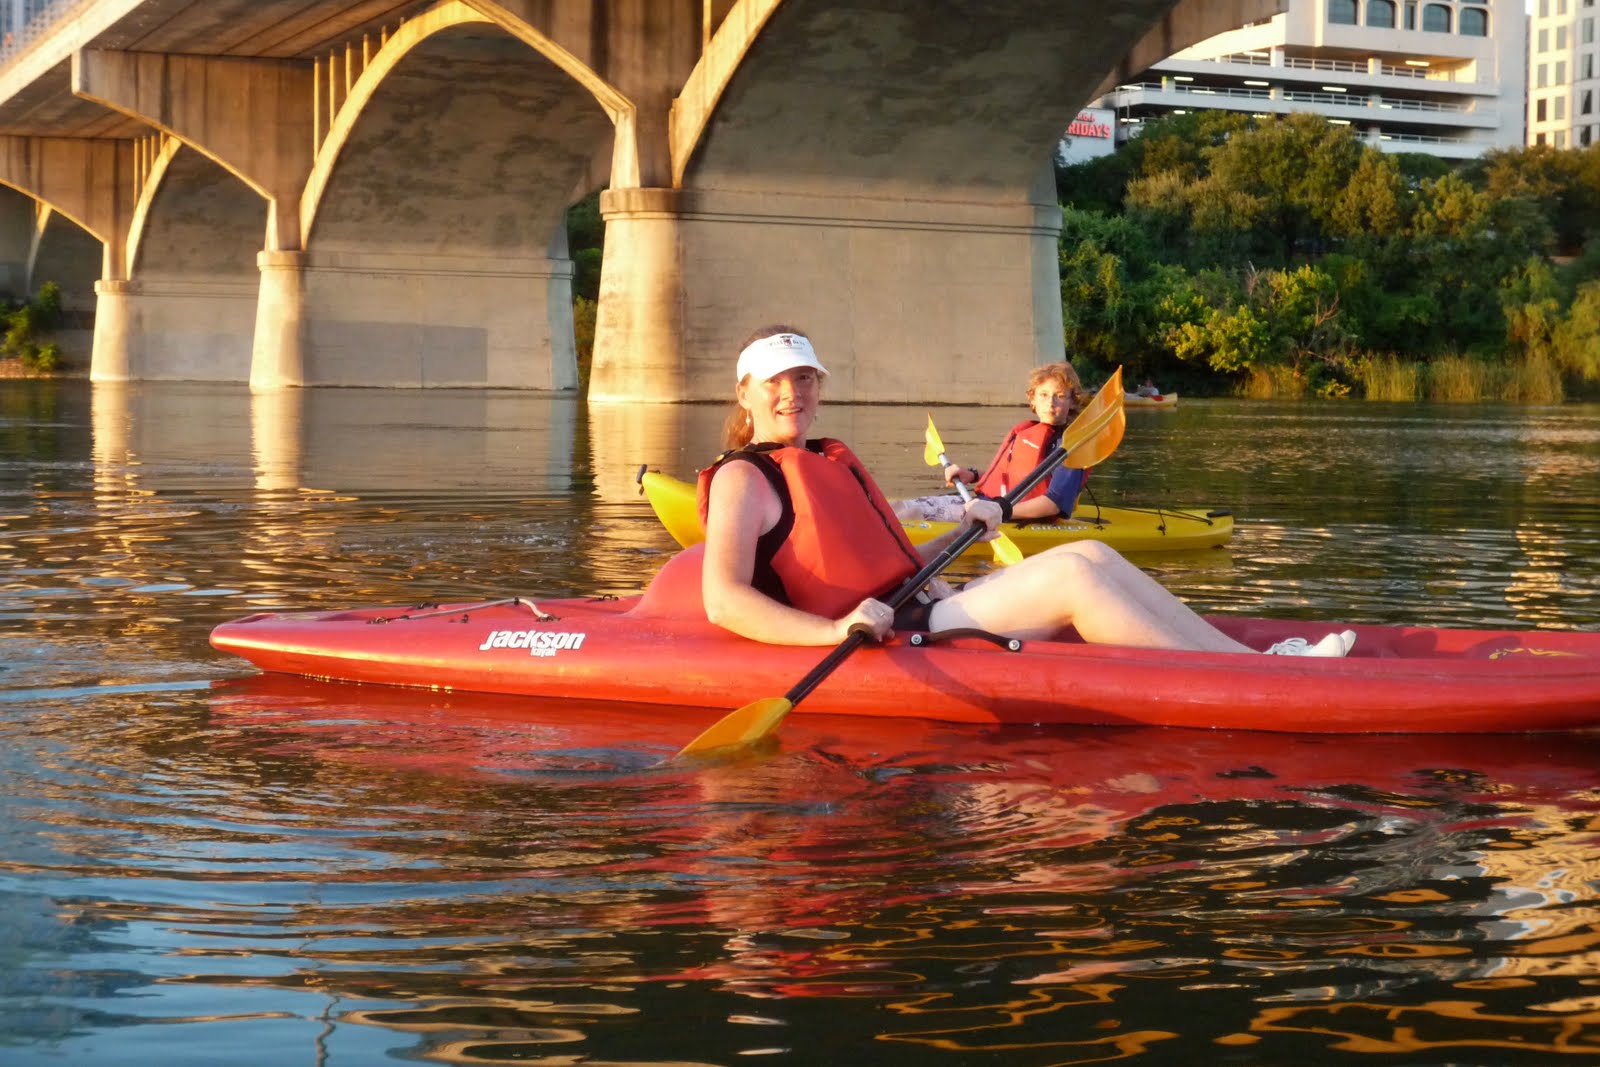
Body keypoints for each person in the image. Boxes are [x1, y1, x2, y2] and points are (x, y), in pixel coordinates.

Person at [697, 324, 1355, 657]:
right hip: (893, 633)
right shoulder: (742, 477)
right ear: (746, 392)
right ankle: (1252, 680)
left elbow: (888, 558)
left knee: (1090, 556)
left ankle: (1253, 660)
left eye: (805, 378)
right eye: (777, 381)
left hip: (925, 607)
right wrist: (831, 632)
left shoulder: (824, 459)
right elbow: (723, 599)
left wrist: (958, 560)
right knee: (1073, 578)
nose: (793, 393)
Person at [894, 361, 1089, 525]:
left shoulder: (1072, 447)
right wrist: (972, 474)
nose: (1051, 402)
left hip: (1010, 516)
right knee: (897, 508)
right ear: (1033, 400)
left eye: (1060, 396)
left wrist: (997, 510)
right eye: (1044, 395)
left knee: (907, 515)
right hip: (986, 504)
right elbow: (1013, 475)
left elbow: (1053, 503)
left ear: (1073, 402)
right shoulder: (1026, 431)